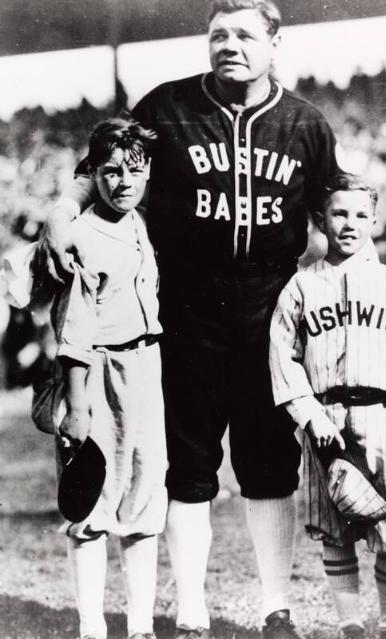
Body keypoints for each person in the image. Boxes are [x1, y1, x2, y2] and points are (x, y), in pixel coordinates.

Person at [41, 2, 348, 637]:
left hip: (271, 304)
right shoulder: (165, 107)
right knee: (187, 459)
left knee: (267, 459)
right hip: (185, 304)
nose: (229, 44)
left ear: (274, 43)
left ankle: (274, 604)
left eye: (243, 34)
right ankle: (189, 607)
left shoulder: (304, 122)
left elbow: (334, 200)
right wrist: (59, 211)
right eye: (218, 34)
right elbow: (97, 165)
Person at [269, 173, 386, 639]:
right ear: (320, 219)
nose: (349, 223)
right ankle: (350, 624)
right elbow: (283, 361)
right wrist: (307, 415)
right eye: (339, 213)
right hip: (327, 419)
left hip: (385, 417)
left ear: (374, 220)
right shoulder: (301, 287)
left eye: (361, 215)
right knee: (335, 526)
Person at [46, 117, 166, 639]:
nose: (123, 182)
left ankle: (140, 626)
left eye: (133, 171)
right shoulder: (81, 236)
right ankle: (92, 627)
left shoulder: (138, 221)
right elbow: (74, 332)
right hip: (96, 374)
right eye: (111, 171)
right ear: (92, 173)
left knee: (143, 502)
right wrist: (77, 406)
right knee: (90, 503)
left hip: (144, 370)